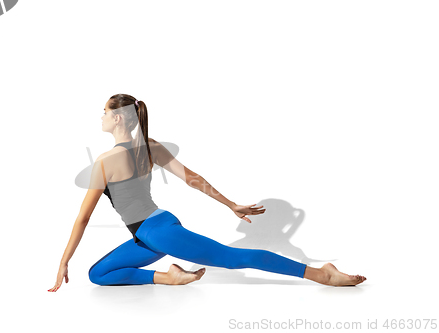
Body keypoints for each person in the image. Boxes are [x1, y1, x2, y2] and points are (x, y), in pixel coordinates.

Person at [48, 94, 366, 292]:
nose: (101, 116)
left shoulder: (104, 161)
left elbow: (83, 218)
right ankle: (169, 276)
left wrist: (63, 261)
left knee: (233, 258)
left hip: (157, 232)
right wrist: (229, 204)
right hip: (149, 233)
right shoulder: (150, 147)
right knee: (99, 274)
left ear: (117, 118)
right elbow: (192, 178)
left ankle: (321, 275)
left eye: (104, 111)